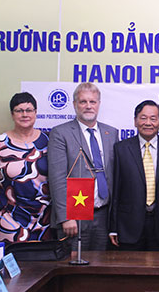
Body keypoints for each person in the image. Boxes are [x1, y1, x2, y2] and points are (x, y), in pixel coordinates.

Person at [48, 82, 117, 250]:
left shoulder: (111, 133)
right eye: (83, 102)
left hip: (103, 215)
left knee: (101, 264)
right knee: (73, 262)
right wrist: (65, 216)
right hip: (75, 215)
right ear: (74, 104)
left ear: (99, 104)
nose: (88, 106)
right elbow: (57, 178)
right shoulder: (60, 133)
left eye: (92, 102)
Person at [109, 100, 159, 251]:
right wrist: (113, 227)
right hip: (128, 226)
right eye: (143, 118)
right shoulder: (121, 149)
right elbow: (116, 191)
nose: (148, 123)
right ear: (135, 121)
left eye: (153, 118)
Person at [0, 92, 51, 242]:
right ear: (12, 114)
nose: (24, 114)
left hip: (44, 220)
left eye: (29, 110)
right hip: (8, 219)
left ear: (35, 113)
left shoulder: (49, 141)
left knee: (43, 257)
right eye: (19, 110)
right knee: (10, 257)